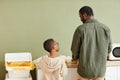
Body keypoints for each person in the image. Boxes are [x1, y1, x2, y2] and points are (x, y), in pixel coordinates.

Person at [71, 6, 112, 80]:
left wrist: (74, 58)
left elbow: (74, 49)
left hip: (84, 71)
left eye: (80, 16)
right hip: (100, 71)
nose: (80, 19)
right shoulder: (105, 28)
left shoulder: (80, 29)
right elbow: (109, 48)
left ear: (84, 15)